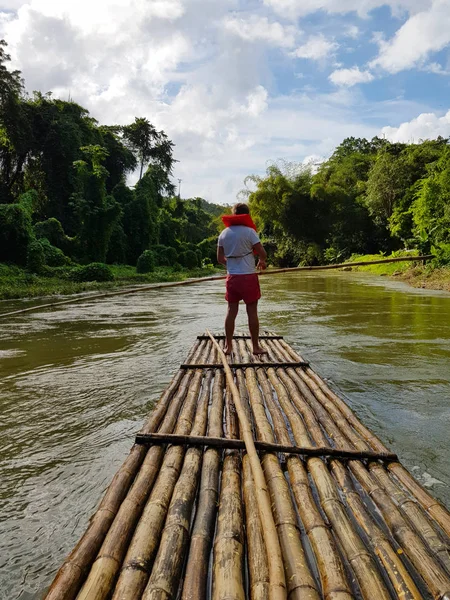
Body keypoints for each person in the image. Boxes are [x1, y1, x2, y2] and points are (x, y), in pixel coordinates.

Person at [217, 202, 267, 355]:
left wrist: (232, 265)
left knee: (231, 311)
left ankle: (228, 347)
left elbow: (219, 258)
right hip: (248, 277)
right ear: (247, 214)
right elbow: (262, 252)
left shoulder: (224, 234)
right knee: (252, 311)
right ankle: (256, 347)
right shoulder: (250, 232)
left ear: (234, 214)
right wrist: (262, 261)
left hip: (232, 278)